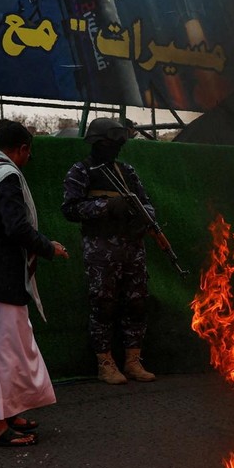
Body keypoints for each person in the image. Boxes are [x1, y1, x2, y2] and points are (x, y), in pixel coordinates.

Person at [0, 119, 69, 446]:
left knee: (10, 349)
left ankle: (9, 412)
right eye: (28, 152)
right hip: (0, 278)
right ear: (22, 149)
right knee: (6, 352)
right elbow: (17, 228)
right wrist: (49, 247)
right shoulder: (6, 176)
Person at [61, 117, 157, 384]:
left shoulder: (126, 171)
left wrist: (143, 216)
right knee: (103, 305)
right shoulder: (82, 171)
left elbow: (147, 203)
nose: (114, 148)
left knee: (136, 303)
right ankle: (105, 363)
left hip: (132, 247)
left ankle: (133, 360)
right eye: (110, 143)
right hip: (101, 249)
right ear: (98, 142)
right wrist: (106, 207)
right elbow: (70, 209)